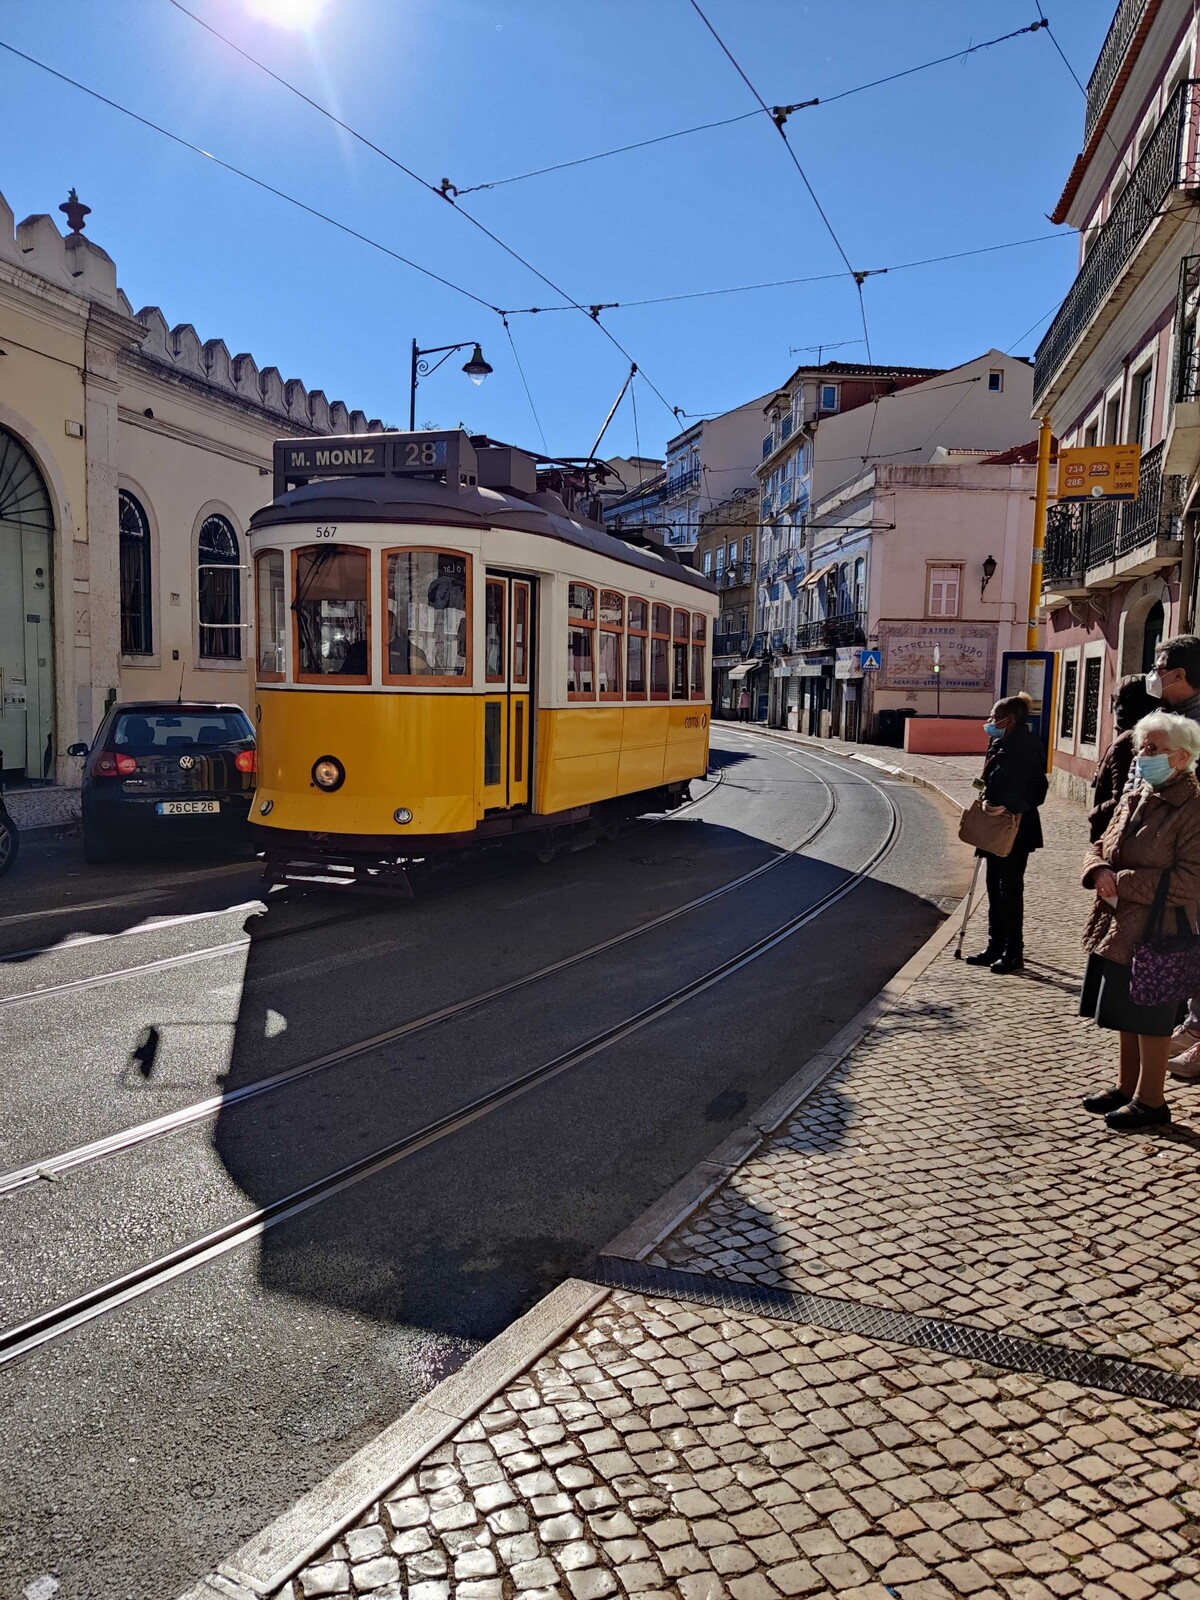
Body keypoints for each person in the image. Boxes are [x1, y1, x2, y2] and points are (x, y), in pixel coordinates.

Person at [1080, 710, 1200, 1130]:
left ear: (1182, 758)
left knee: (1151, 1016)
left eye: (1154, 749)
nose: (1144, 755)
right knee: (1125, 1011)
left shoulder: (1193, 806)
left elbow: (1190, 880)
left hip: (1160, 931)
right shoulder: (1138, 795)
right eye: (1143, 747)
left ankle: (1152, 1100)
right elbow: (1100, 844)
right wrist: (1096, 871)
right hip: (1120, 925)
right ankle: (1127, 1087)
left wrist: (1122, 883)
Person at [965, 692, 1047, 974]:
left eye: (993, 718)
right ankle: (994, 946)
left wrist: (1006, 804)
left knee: (1010, 890)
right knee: (993, 888)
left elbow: (1037, 791)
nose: (989, 722)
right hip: (992, 826)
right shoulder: (999, 742)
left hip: (1015, 828)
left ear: (1009, 720)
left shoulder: (1027, 747)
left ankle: (1014, 952)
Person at [1089, 674, 1158, 843]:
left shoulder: (1127, 743)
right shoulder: (1137, 738)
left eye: (1117, 702)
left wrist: (1095, 812)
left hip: (1114, 834)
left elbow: (1122, 797)